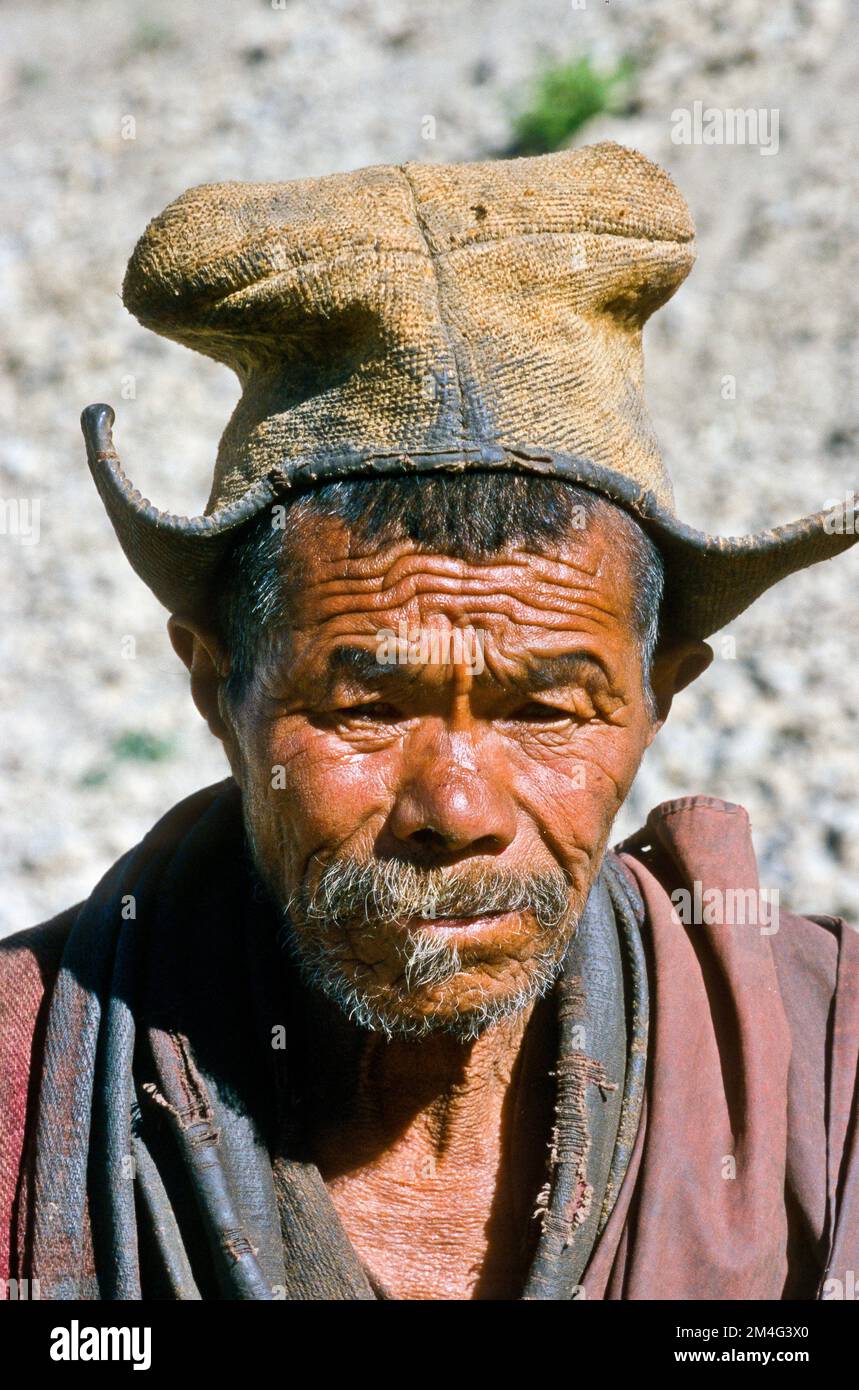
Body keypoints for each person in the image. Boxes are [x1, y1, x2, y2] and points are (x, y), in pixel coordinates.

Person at [2, 142, 857, 1300]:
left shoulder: (830, 1077)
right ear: (215, 690)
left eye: (546, 709)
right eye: (367, 706)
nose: (456, 808)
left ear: (660, 695)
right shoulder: (19, 1086)